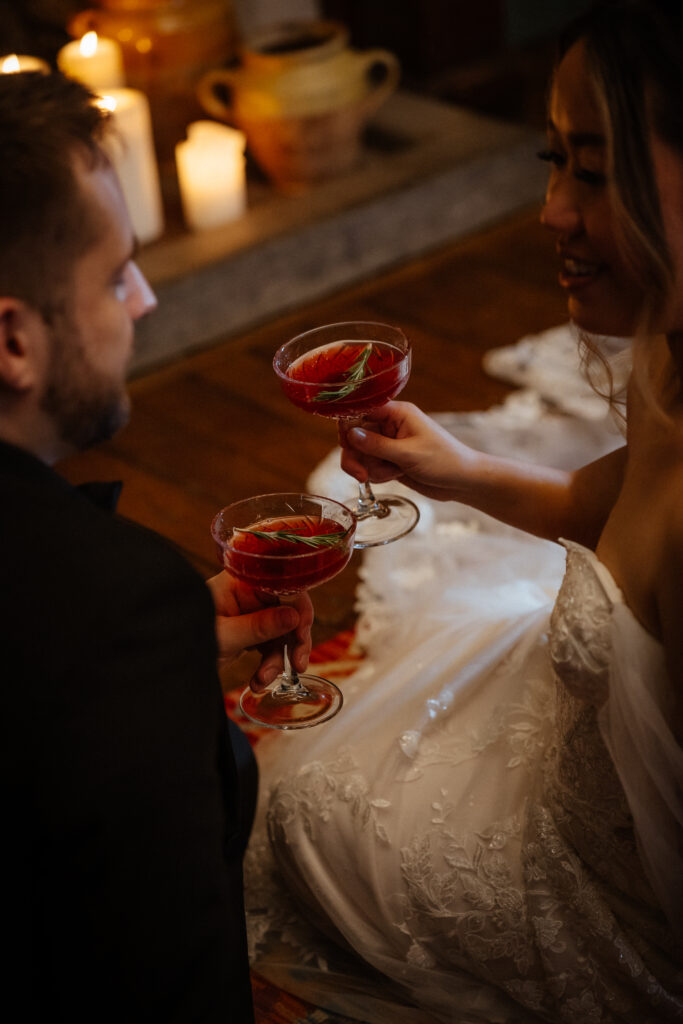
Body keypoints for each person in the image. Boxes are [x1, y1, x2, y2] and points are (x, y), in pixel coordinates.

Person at [244, 2, 683, 1021]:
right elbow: (611, 502)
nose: (550, 212)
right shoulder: (671, 345)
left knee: (295, 810)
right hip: (581, 774)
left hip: (621, 910)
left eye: (592, 172)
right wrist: (461, 471)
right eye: (551, 160)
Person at [0, 70, 312, 1021]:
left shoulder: (111, 618)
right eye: (113, 274)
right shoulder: (118, 610)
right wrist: (136, 653)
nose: (141, 300)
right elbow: (169, 981)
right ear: (12, 341)